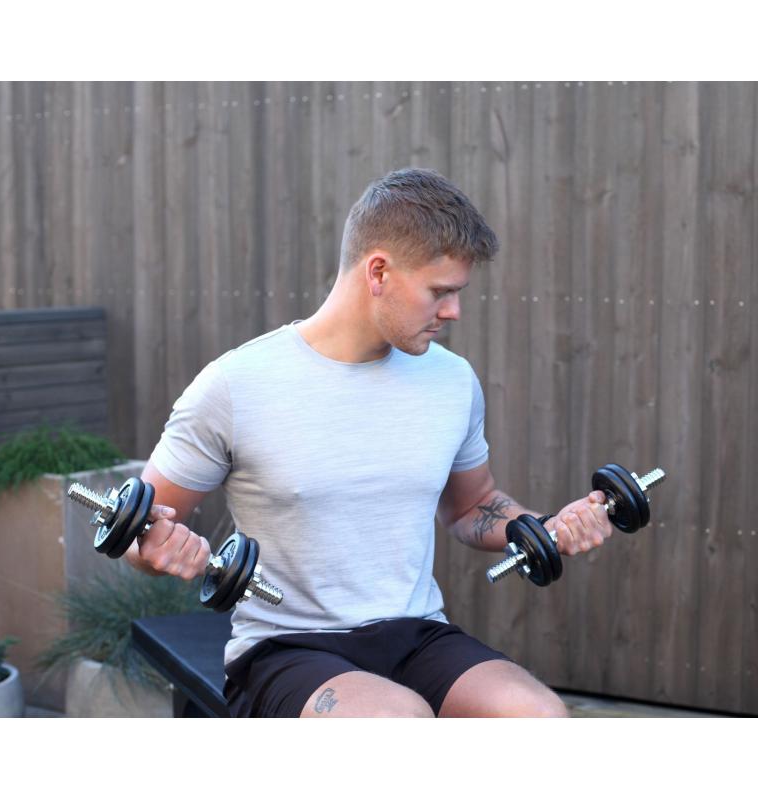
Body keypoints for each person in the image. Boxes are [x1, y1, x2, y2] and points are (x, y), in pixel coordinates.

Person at [125, 167, 613, 717]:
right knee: (394, 721)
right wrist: (159, 550)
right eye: (440, 292)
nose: (453, 311)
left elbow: (471, 507)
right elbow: (140, 529)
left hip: (417, 633)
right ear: (378, 271)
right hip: (286, 649)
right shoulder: (236, 385)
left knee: (538, 716)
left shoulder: (452, 381)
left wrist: (544, 527)